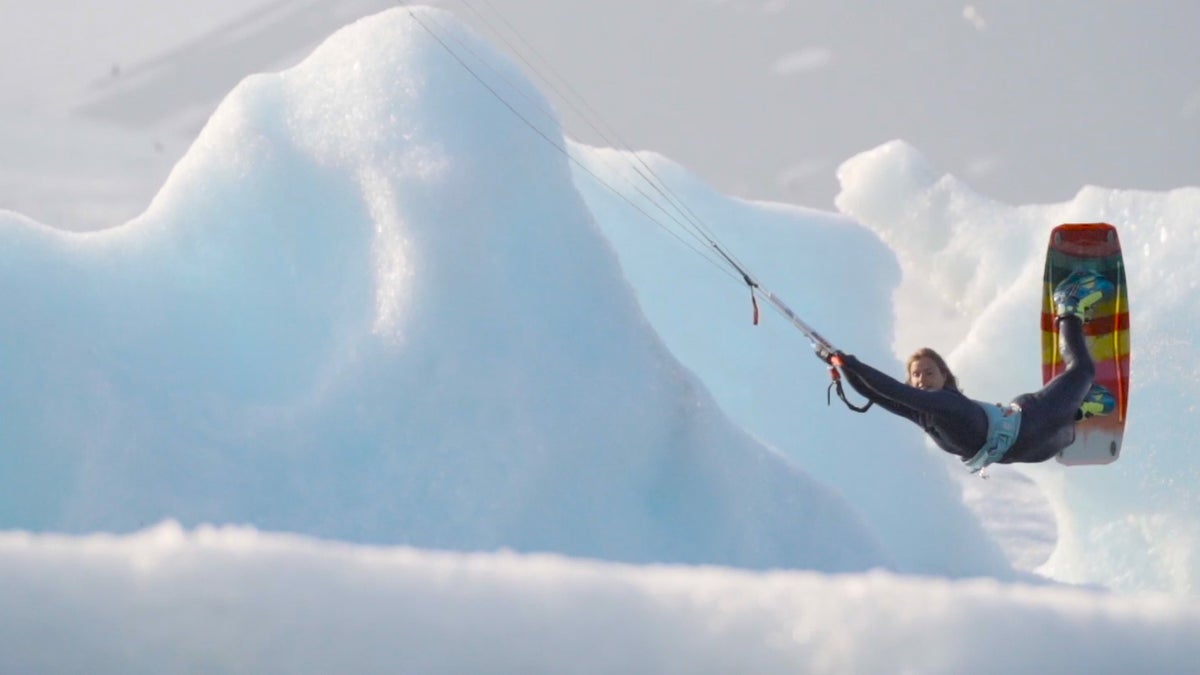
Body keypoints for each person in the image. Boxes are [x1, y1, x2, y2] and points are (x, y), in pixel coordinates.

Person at [827, 270, 1117, 472]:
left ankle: (1068, 302)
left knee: (1082, 370)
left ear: (944, 377)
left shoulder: (945, 402)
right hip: (1022, 451)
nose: (921, 379)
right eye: (915, 375)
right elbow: (876, 394)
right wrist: (838, 364)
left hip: (1032, 418)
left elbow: (892, 390)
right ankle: (1080, 406)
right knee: (1066, 435)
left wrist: (852, 362)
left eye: (928, 372)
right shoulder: (924, 414)